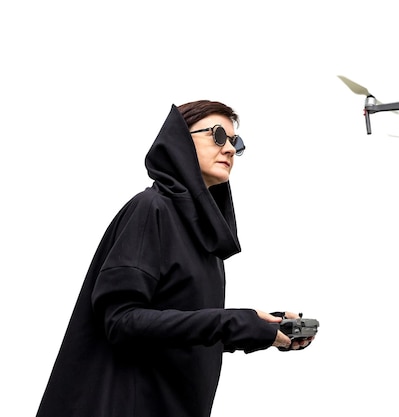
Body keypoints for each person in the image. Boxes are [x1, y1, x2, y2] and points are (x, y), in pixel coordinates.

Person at [35, 100, 314, 417]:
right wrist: (231, 321)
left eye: (235, 142)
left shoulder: (204, 241)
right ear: (179, 140)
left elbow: (180, 329)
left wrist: (259, 329)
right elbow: (121, 321)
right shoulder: (150, 209)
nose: (230, 149)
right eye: (218, 135)